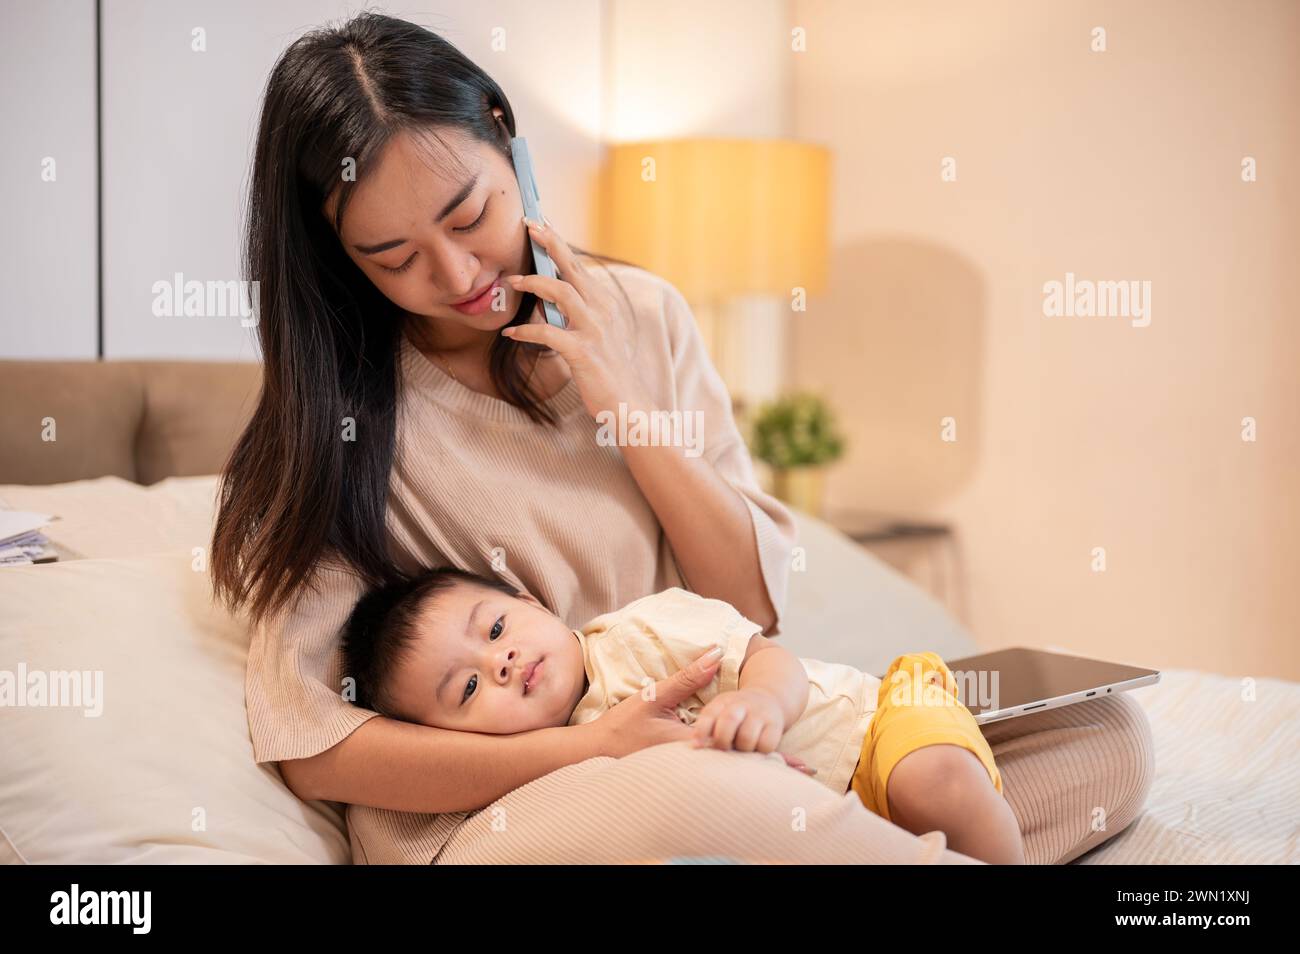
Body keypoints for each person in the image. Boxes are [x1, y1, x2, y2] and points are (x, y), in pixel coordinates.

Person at [210, 11, 1154, 865]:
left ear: (508, 139)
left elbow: (749, 606)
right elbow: (315, 751)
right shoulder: (336, 428)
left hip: (723, 733)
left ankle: (839, 838)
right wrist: (594, 747)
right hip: (526, 802)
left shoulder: (645, 313)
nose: (458, 272)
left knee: (1102, 738)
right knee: (704, 796)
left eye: (472, 216)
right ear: (340, 254)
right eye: (395, 258)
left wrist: (622, 399)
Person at [340, 568, 1026, 863]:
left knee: (935, 783)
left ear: (531, 599)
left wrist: (762, 700)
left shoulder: (643, 627)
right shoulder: (562, 772)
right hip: (840, 810)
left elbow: (769, 656)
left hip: (879, 720)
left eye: (494, 629)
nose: (503, 662)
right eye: (465, 691)